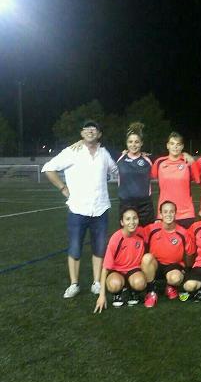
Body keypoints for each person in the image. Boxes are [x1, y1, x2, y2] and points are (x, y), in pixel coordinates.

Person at [42, 120, 118, 299]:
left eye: (95, 129)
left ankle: (97, 282)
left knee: (99, 248)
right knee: (75, 248)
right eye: (87, 129)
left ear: (99, 134)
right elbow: (48, 168)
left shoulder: (104, 153)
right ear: (82, 133)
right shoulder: (72, 151)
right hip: (77, 209)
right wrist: (63, 189)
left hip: (100, 209)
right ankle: (74, 284)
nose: (91, 131)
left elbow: (116, 170)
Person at [140, 201, 194, 308]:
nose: (168, 214)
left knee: (176, 279)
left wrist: (187, 270)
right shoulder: (151, 229)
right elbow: (137, 236)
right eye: (165, 212)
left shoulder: (183, 233)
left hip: (173, 266)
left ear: (175, 213)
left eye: (171, 212)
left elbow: (189, 254)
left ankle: (170, 286)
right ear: (160, 214)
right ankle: (151, 291)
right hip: (156, 265)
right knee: (146, 258)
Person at [94, 208, 148, 313]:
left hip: (134, 270)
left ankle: (133, 291)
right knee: (114, 285)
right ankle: (117, 293)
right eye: (128, 219)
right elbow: (105, 268)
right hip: (117, 271)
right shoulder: (116, 238)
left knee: (140, 283)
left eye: (134, 218)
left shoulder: (142, 233)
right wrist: (101, 295)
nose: (132, 222)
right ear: (122, 222)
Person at [152, 132, 195, 229]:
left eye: (178, 144)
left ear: (182, 146)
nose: (175, 147)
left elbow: (198, 179)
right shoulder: (159, 163)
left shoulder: (188, 162)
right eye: (172, 144)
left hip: (186, 214)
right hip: (165, 213)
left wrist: (190, 160)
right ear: (167, 146)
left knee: (187, 243)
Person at [116, 122, 155, 226]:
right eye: (130, 142)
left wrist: (184, 154)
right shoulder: (119, 157)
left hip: (145, 205)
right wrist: (81, 141)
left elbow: (170, 157)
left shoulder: (149, 159)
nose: (133, 145)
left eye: (137, 142)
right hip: (126, 204)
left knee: (147, 236)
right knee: (127, 237)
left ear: (141, 143)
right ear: (126, 143)